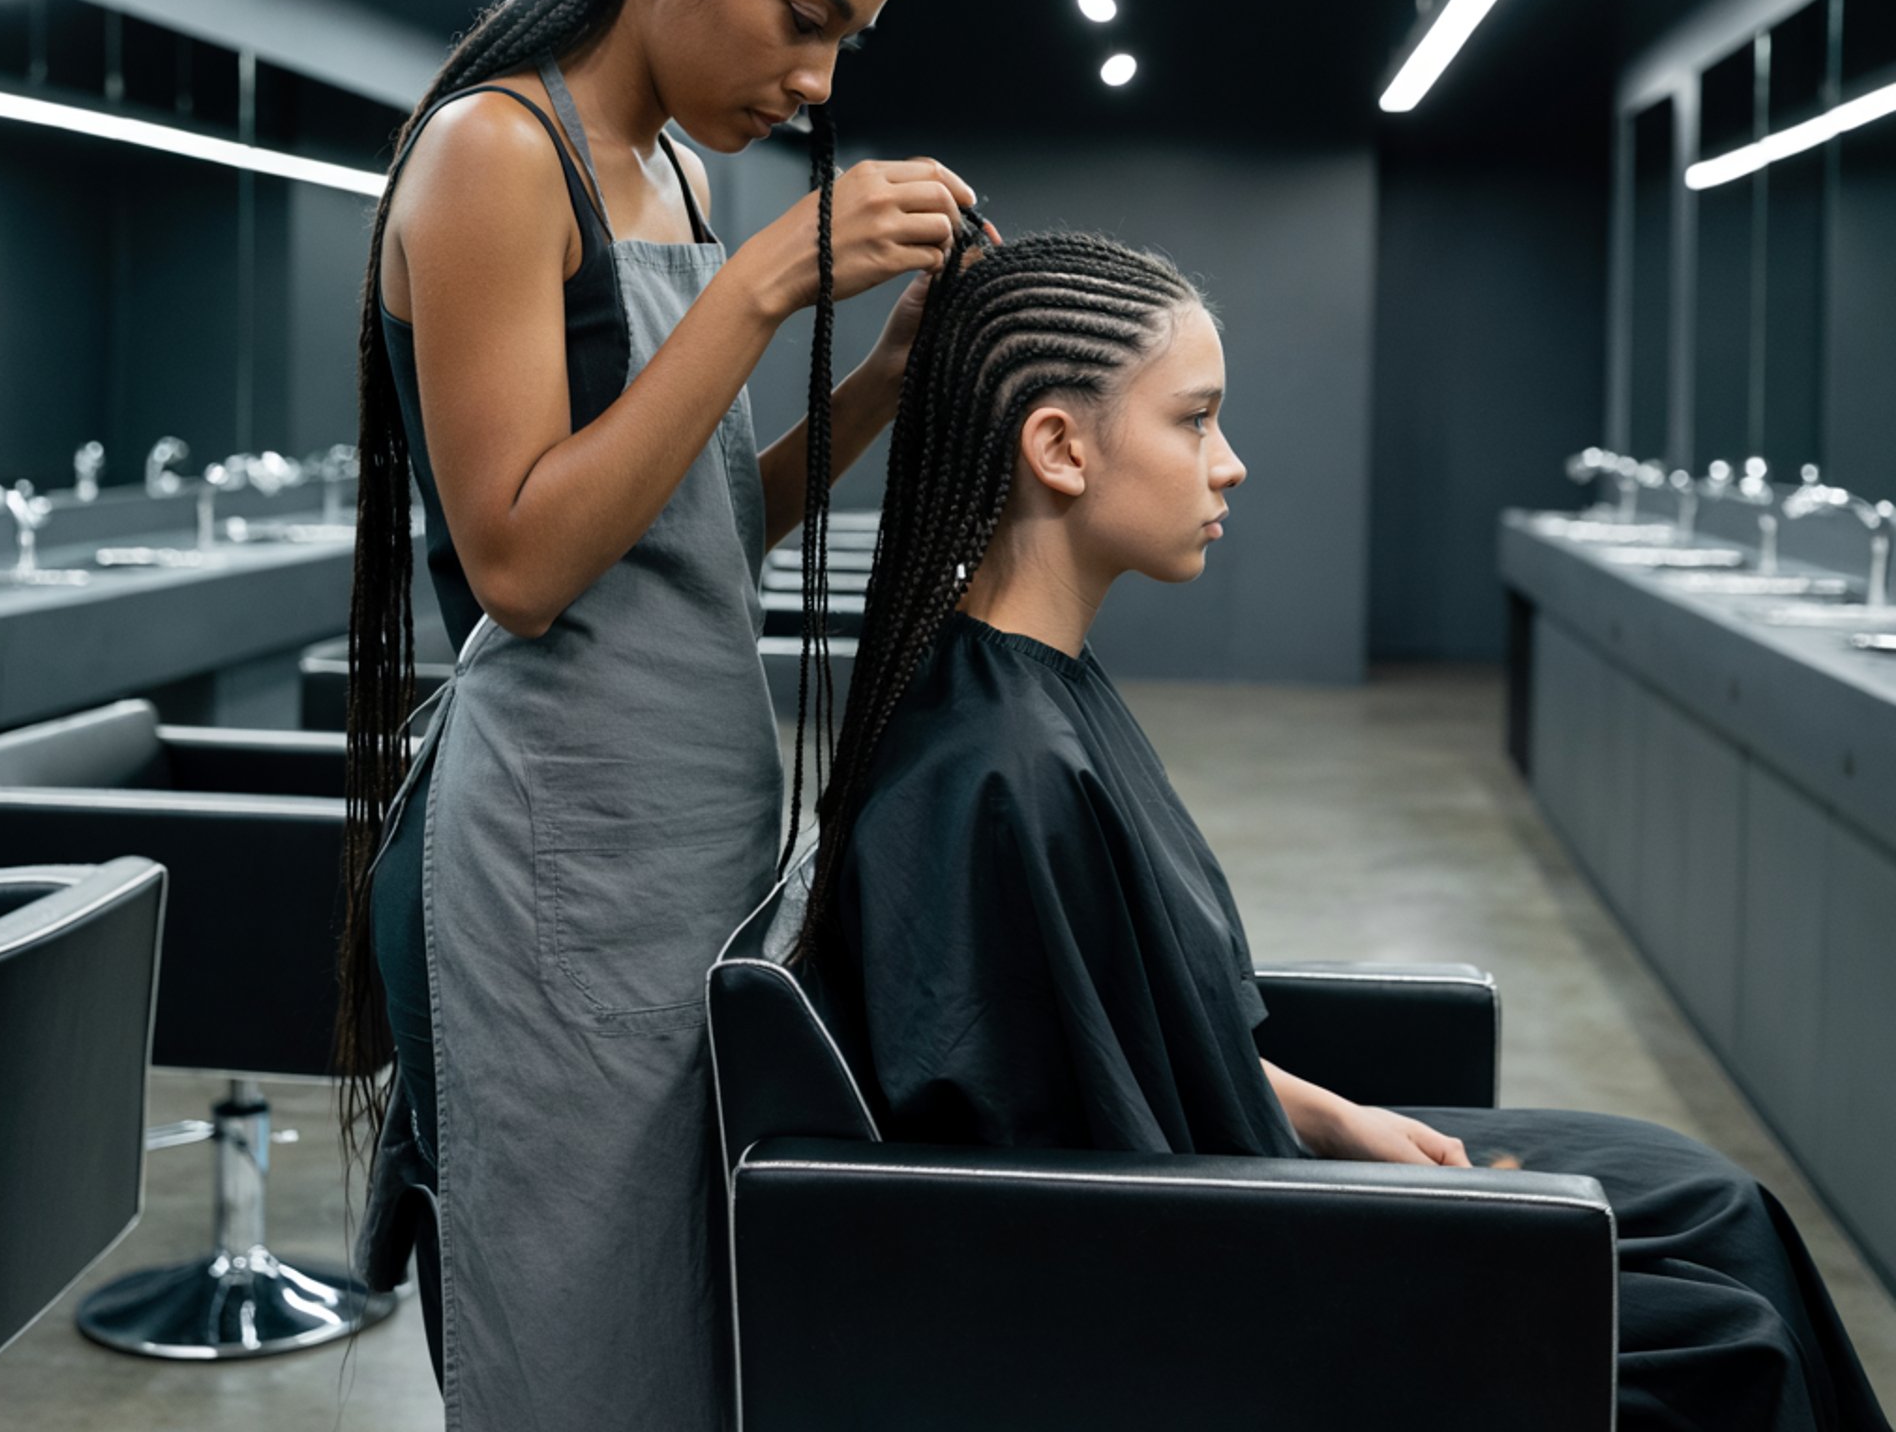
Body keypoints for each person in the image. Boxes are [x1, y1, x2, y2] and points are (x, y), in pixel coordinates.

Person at [799, 230, 1892, 1432]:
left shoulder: (1040, 696)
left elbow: (1128, 1034)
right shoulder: (996, 774)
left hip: (1244, 1172)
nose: (1233, 467)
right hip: (1222, 1267)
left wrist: (1328, 1114)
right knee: (1729, 1334)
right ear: (1059, 447)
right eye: (1196, 421)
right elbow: (1079, 1199)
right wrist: (1325, 1182)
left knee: (1717, 1200)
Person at [338, 0, 985, 1430]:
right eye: (803, 15)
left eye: (848, 41)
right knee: (575, 1339)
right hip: (555, 856)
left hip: (681, 829)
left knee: (684, 1330)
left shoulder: (682, 178)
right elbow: (528, 561)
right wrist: (768, 287)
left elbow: (694, 524)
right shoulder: (497, 155)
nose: (819, 79)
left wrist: (884, 380)